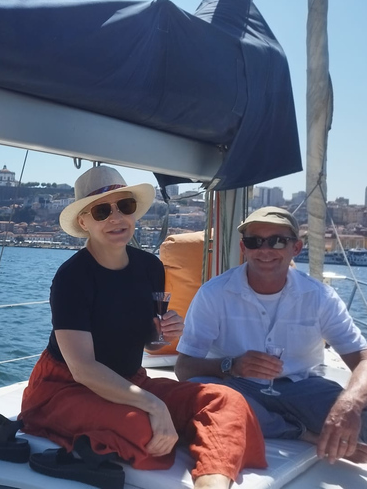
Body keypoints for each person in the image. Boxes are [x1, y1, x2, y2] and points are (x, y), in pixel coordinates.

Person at [19, 166, 266, 489]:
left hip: (129, 380)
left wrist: (162, 333)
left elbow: (148, 342)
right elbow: (83, 369)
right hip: (65, 388)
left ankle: (213, 482)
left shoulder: (150, 267)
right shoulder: (72, 278)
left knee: (227, 400)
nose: (116, 217)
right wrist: (154, 404)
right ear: (84, 222)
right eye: (102, 210)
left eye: (125, 206)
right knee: (144, 429)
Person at [175, 206, 367, 464]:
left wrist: (350, 404)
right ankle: (302, 433)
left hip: (302, 388)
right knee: (195, 393)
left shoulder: (320, 297)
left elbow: (363, 359)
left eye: (277, 241)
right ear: (244, 248)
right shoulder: (214, 294)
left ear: (296, 248)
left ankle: (284, 425)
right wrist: (231, 365)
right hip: (237, 387)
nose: (265, 250)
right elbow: (185, 368)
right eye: (254, 241)